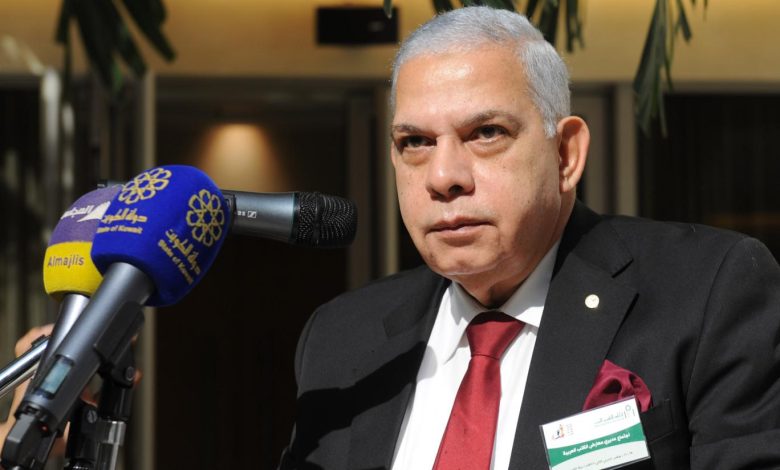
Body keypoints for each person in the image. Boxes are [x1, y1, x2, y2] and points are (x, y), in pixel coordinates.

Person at [278, 6, 780, 470]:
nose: (443, 177)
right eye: (416, 142)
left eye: (486, 133)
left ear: (565, 155)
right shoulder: (342, 338)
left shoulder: (706, 293)